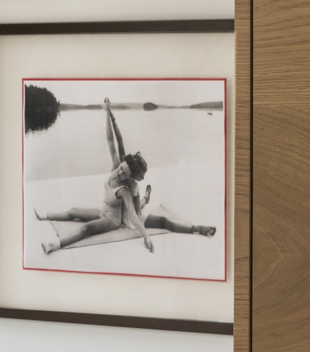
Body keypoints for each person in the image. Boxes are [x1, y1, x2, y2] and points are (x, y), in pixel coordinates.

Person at [36, 98, 219, 255]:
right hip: (104, 209)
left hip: (114, 219)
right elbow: (114, 141)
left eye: (124, 173)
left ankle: (55, 245)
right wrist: (108, 113)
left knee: (90, 228)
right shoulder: (118, 167)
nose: (119, 172)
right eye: (121, 168)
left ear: (129, 178)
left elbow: (132, 213)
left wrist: (145, 236)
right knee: (74, 210)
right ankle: (44, 215)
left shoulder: (125, 189)